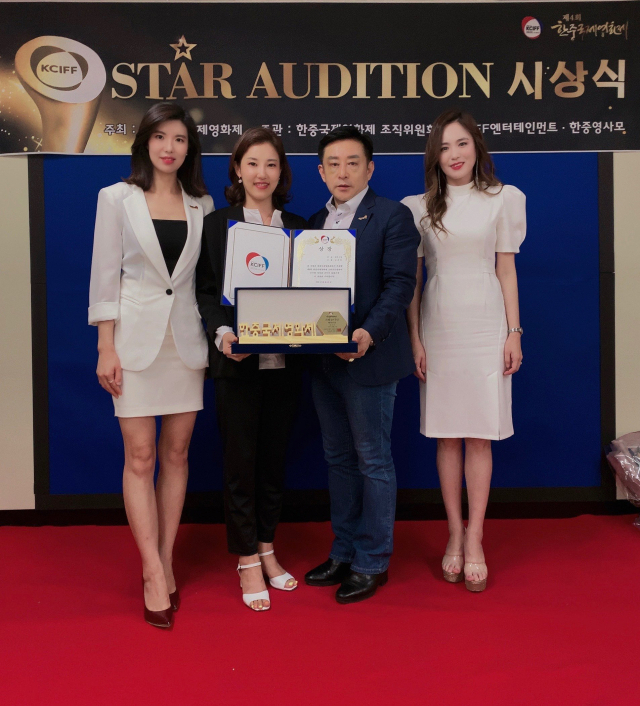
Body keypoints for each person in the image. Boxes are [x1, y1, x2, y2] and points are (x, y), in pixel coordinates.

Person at [88, 103, 214, 628]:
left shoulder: (202, 203)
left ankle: (165, 556)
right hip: (134, 345)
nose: (170, 147)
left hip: (185, 344)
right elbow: (105, 276)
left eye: (180, 139)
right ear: (144, 142)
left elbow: (203, 280)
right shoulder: (116, 198)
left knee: (176, 454)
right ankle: (151, 571)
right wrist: (106, 347)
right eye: (160, 137)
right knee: (140, 458)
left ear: (189, 149)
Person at [403, 109, 525, 592]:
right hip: (439, 327)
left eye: (462, 144)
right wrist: (415, 338)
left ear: (477, 148)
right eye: (444, 147)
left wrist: (514, 332)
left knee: (479, 436)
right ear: (434, 156)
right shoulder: (418, 207)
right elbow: (414, 283)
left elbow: (506, 270)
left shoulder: (503, 199)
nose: (454, 155)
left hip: (486, 326)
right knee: (446, 436)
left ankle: (476, 536)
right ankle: (453, 531)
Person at [304, 126, 420, 604]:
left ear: (369, 168)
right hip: (323, 361)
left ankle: (373, 561)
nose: (343, 172)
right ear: (321, 171)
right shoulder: (314, 222)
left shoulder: (393, 216)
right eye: (333, 163)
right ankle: (344, 551)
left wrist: (367, 334)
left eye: (353, 162)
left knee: (372, 460)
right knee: (338, 459)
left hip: (369, 358)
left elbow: (400, 284)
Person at [196, 127, 307, 612]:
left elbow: (312, 294)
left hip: (285, 364)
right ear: (237, 170)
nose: (262, 173)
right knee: (240, 464)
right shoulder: (217, 225)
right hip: (237, 363)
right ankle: (245, 559)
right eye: (253, 163)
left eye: (272, 164)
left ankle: (266, 547)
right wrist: (224, 335)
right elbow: (204, 291)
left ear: (282, 172)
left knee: (273, 462)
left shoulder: (298, 227)